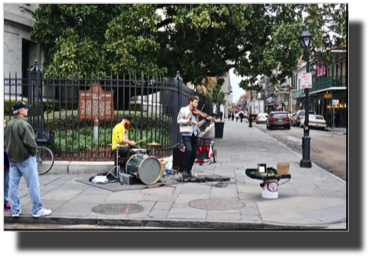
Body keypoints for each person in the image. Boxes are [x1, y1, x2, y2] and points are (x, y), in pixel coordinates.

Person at [4, 101, 52, 218]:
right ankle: (37, 210)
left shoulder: (9, 124)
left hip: (13, 160)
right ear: (20, 111)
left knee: (13, 186)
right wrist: (34, 153)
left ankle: (15, 210)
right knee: (33, 185)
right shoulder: (24, 125)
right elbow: (31, 143)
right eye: (25, 108)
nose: (27, 110)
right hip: (25, 159)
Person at [177, 96, 213, 181]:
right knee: (188, 150)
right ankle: (184, 170)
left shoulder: (195, 112)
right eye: (196, 102)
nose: (197, 104)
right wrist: (189, 121)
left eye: (197, 102)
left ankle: (189, 170)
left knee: (194, 154)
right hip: (186, 133)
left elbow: (196, 125)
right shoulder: (183, 110)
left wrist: (205, 120)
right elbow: (179, 120)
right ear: (191, 102)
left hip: (194, 134)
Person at [4, 120, 11, 212]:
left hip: (6, 162)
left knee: (5, 184)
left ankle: (5, 202)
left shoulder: (6, 133)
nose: (4, 125)